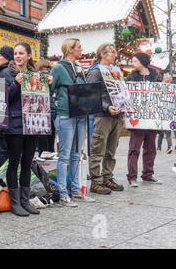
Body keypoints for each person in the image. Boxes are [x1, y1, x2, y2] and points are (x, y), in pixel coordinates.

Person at [0, 42, 52, 216]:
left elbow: (42, 99)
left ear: (29, 56)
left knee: (27, 163)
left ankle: (25, 200)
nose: (18, 56)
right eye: (15, 53)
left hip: (34, 123)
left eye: (21, 53)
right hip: (15, 124)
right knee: (14, 164)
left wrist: (47, 85)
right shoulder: (6, 73)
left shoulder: (36, 74)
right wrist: (15, 83)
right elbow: (3, 98)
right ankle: (15, 203)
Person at [50, 38, 88, 207]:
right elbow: (48, 90)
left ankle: (75, 190)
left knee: (76, 155)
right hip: (65, 115)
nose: (81, 49)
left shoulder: (80, 68)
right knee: (64, 156)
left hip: (80, 115)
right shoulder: (58, 68)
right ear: (70, 49)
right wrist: (54, 112)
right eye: (79, 47)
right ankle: (63, 194)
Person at [86, 43, 124, 195]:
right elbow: (89, 93)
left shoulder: (115, 71)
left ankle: (108, 177)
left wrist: (127, 105)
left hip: (117, 115)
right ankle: (96, 181)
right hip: (103, 116)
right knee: (98, 149)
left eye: (114, 52)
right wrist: (106, 106)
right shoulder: (95, 72)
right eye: (112, 52)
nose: (115, 55)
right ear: (102, 54)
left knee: (111, 151)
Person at [125, 53, 163, 187]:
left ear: (142, 61)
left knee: (150, 148)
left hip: (152, 118)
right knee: (134, 148)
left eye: (135, 61)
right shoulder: (131, 76)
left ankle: (148, 174)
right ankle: (132, 176)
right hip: (137, 118)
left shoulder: (156, 74)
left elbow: (160, 92)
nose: (132, 63)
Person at [35, 59, 56, 155]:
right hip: (39, 118)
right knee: (43, 148)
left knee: (51, 147)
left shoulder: (52, 81)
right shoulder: (34, 81)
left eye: (47, 68)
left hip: (50, 116)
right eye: (42, 69)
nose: (45, 71)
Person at [157, 73, 173, 153]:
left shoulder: (173, 88)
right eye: (164, 78)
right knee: (161, 132)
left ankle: (169, 146)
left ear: (170, 79)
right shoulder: (160, 87)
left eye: (167, 78)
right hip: (161, 113)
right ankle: (159, 147)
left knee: (168, 131)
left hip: (170, 113)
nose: (165, 79)